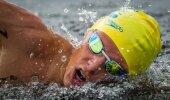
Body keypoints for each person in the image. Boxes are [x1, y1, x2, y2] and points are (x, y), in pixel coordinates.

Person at [0, 0, 162, 87]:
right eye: (96, 46)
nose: (92, 67)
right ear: (87, 33)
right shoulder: (24, 34)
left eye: (113, 67)